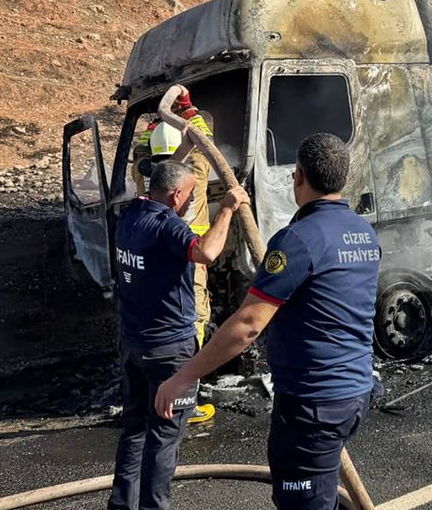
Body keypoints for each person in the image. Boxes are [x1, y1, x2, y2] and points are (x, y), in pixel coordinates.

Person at [155, 133, 379, 510]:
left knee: (303, 502)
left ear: (298, 176)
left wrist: (184, 377)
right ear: (344, 178)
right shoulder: (364, 233)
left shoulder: (298, 239)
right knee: (320, 494)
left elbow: (248, 325)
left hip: (313, 403)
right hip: (355, 392)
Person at [108, 161, 249, 510]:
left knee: (135, 429)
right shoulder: (167, 226)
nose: (191, 200)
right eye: (189, 193)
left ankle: (122, 505)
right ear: (175, 196)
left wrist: (185, 147)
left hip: (133, 343)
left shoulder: (130, 214)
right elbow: (207, 252)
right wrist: (227, 208)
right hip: (169, 350)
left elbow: (167, 173)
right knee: (163, 436)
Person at [131, 90, 217, 423]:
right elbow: (203, 139)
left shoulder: (145, 175)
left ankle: (152, 394)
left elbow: (141, 152)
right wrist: (188, 109)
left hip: (153, 266)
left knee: (157, 327)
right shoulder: (195, 170)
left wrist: (157, 122)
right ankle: (184, 401)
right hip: (189, 264)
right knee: (192, 325)